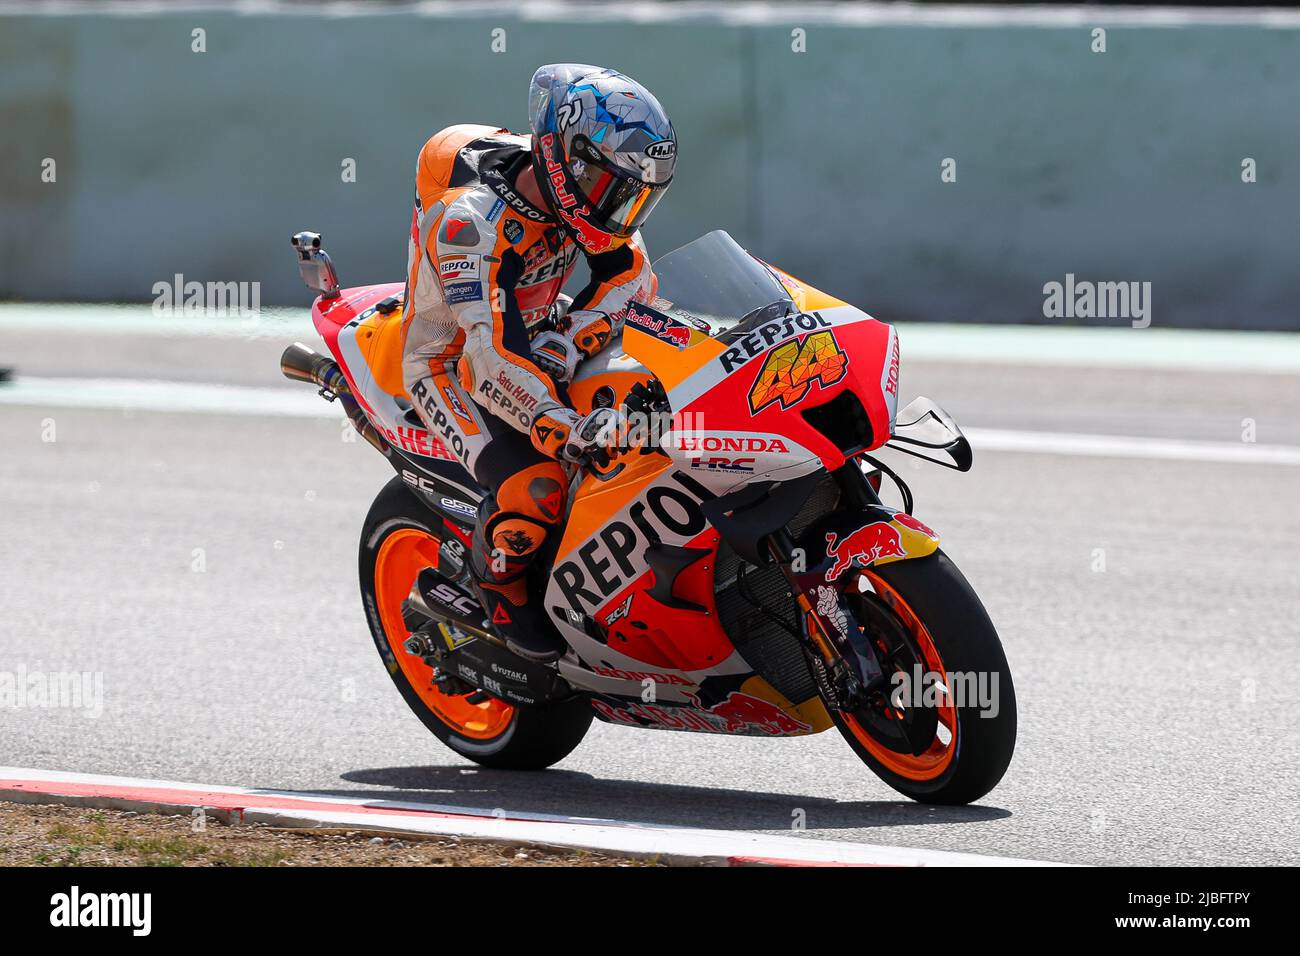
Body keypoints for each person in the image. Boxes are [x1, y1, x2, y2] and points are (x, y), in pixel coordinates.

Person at [399, 63, 676, 661]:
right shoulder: (470, 226)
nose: (621, 209)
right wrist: (558, 423)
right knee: (541, 487)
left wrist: (571, 339)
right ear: (563, 161)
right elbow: (487, 356)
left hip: (536, 334)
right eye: (611, 189)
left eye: (636, 195)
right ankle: (499, 583)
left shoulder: (583, 198)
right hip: (447, 363)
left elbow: (634, 279)